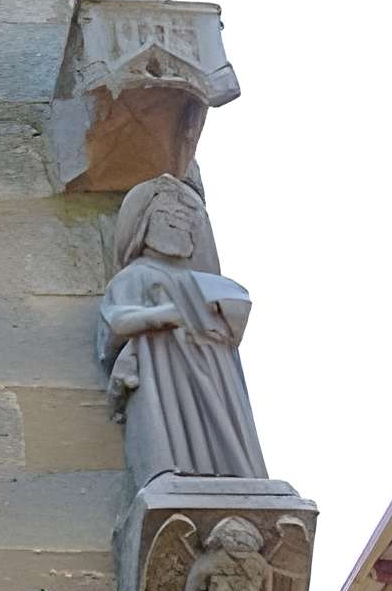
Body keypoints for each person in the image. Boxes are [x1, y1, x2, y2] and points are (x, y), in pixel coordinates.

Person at [96, 174, 269, 485]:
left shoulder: (206, 283)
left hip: (214, 377)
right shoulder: (134, 277)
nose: (178, 222)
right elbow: (118, 323)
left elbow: (232, 323)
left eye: (186, 217)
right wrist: (171, 315)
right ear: (144, 223)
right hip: (162, 372)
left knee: (221, 438)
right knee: (168, 434)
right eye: (167, 214)